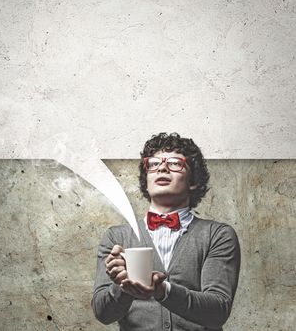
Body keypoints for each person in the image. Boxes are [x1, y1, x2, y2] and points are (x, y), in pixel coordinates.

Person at [91, 132, 240, 331]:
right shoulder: (116, 237)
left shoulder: (218, 235)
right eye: (153, 163)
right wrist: (121, 287)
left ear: (193, 180)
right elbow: (103, 314)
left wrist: (163, 291)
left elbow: (218, 311)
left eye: (175, 163)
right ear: (147, 178)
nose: (162, 167)